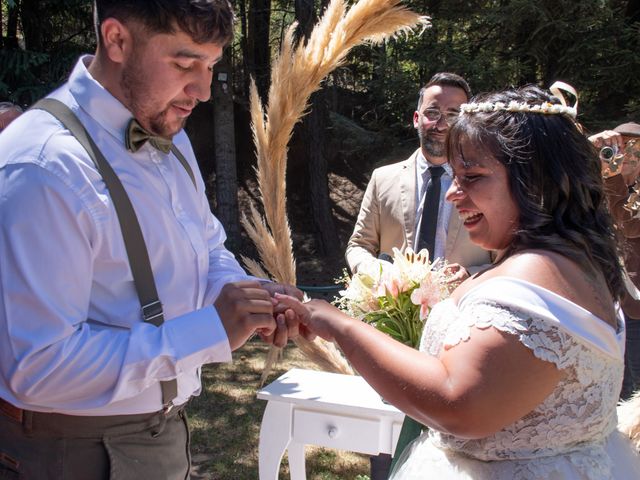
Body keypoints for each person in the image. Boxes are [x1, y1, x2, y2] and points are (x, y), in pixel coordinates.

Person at [0, 1, 301, 478]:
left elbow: (206, 247)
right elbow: (39, 367)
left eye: (211, 66)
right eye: (185, 64)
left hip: (164, 433)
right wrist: (211, 330)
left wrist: (242, 296)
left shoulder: (169, 133)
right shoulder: (42, 167)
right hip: (70, 453)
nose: (202, 91)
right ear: (117, 40)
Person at [278, 85, 640, 478]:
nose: (453, 193)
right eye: (455, 175)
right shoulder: (574, 258)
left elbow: (457, 403)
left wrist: (338, 325)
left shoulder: (536, 270)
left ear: (534, 180)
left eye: (472, 177)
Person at [345, 72, 492, 281]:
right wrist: (376, 272)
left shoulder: (487, 183)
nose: (441, 124)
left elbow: (509, 257)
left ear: (465, 123)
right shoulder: (382, 179)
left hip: (462, 307)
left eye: (452, 114)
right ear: (416, 119)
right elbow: (359, 245)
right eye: (432, 112)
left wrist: (470, 275)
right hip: (394, 309)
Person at [589, 122, 640, 400]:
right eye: (618, 149)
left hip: (637, 308)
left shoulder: (613, 183)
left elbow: (630, 224)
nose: (621, 157)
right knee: (620, 390)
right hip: (611, 304)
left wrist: (611, 176)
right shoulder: (605, 184)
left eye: (631, 149)